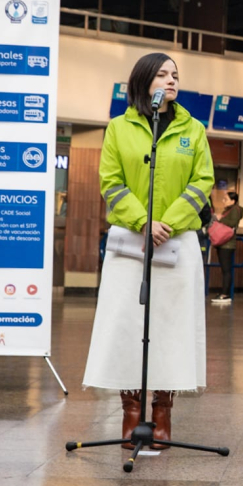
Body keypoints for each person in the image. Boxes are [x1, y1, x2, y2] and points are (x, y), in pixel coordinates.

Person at [83, 52, 213, 450]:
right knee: (128, 326)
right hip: (130, 244)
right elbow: (111, 182)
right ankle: (131, 412)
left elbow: (202, 179)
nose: (171, 80)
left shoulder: (195, 129)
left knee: (171, 329)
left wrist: (168, 222)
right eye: (162, 74)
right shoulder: (119, 128)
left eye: (175, 75)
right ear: (143, 80)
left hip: (177, 242)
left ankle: (162, 412)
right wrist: (144, 221)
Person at [213, 192, 243, 301]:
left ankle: (225, 294)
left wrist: (220, 218)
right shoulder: (230, 210)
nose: (223, 201)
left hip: (227, 243)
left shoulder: (235, 210)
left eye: (226, 199)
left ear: (233, 201)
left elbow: (233, 223)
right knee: (225, 269)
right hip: (224, 243)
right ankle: (224, 292)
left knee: (226, 270)